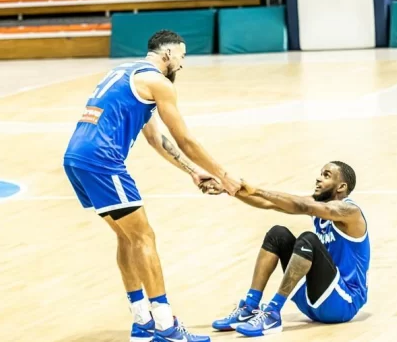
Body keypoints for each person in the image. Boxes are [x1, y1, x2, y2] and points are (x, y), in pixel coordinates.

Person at [63, 30, 241, 342]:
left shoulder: (126, 73)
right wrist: (224, 175)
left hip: (76, 157)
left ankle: (142, 319)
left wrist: (193, 172)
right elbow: (184, 138)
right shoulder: (158, 82)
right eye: (183, 57)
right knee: (144, 237)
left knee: (127, 237)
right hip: (102, 160)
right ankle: (166, 325)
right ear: (169, 54)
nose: (182, 66)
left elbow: (156, 138)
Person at [208, 161, 369, 337]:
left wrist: (257, 189)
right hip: (315, 301)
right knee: (277, 234)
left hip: (343, 303)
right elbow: (268, 203)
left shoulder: (350, 211)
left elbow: (304, 206)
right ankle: (249, 306)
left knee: (308, 240)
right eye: (320, 173)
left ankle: (272, 312)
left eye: (326, 175)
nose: (318, 178)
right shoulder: (318, 205)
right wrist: (229, 189)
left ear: (341, 187)